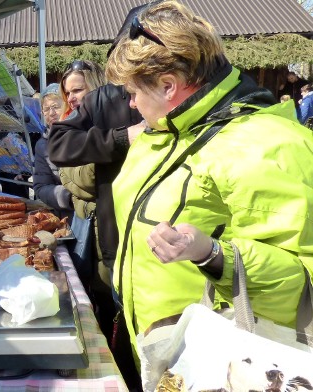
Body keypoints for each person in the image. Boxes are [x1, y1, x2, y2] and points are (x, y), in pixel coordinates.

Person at [104, 0, 313, 378]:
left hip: (228, 363)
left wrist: (212, 254)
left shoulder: (267, 145)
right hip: (166, 357)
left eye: (132, 92)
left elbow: (304, 286)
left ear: (168, 86)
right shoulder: (162, 136)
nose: (131, 104)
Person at [48, 60, 144, 387]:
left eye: (78, 90)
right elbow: (63, 175)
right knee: (97, 300)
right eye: (68, 93)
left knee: (120, 315)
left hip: (111, 231)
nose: (73, 98)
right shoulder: (75, 129)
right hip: (89, 228)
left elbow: (85, 180)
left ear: (96, 88)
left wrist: (79, 174)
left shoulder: (115, 119)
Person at [32, 83, 73, 220]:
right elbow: (41, 186)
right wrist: (68, 197)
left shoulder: (84, 135)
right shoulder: (42, 145)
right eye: (46, 109)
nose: (51, 113)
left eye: (56, 107)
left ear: (67, 106)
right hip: (67, 215)